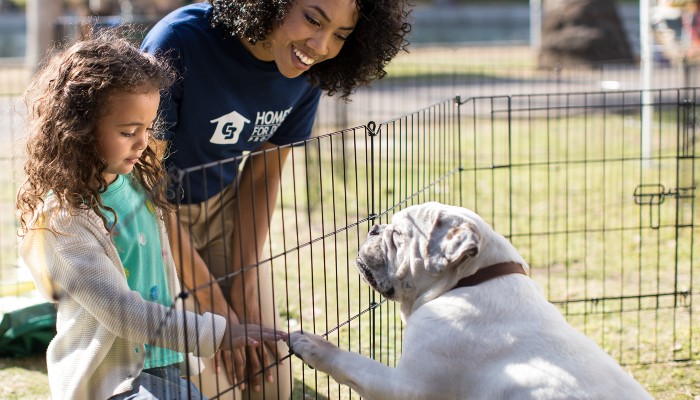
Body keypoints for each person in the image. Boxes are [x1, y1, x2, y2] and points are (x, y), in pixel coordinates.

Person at [140, 0, 411, 398]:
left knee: (271, 387)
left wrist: (244, 289)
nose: (320, 46)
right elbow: (144, 185)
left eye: (341, 35)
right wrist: (215, 302)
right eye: (312, 19)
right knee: (222, 390)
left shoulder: (307, 71)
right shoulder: (178, 42)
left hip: (223, 208)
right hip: (151, 220)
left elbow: (265, 172)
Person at [16, 32, 287, 400]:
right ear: (78, 129)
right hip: (111, 380)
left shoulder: (137, 182)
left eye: (148, 128)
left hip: (165, 363)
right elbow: (124, 313)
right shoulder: (64, 221)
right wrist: (218, 333)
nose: (143, 143)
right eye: (128, 131)